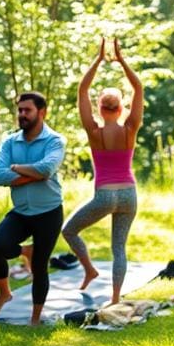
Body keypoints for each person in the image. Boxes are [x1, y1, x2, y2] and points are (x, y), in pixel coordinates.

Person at [62, 38, 144, 305]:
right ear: (121, 108)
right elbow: (138, 88)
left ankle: (89, 269)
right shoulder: (130, 129)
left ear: (100, 108)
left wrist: (98, 59)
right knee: (118, 248)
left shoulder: (94, 132)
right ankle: (116, 297)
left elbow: (82, 90)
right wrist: (121, 61)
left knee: (69, 231)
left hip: (105, 195)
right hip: (129, 195)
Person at [0, 89, 67, 326]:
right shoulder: (11, 141)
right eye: (19, 110)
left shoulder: (54, 140)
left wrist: (17, 168)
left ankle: (35, 318)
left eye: (27, 110)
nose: (22, 114)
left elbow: (46, 169)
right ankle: (5, 291)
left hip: (49, 212)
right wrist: (33, 172)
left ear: (41, 112)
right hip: (21, 212)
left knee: (40, 266)